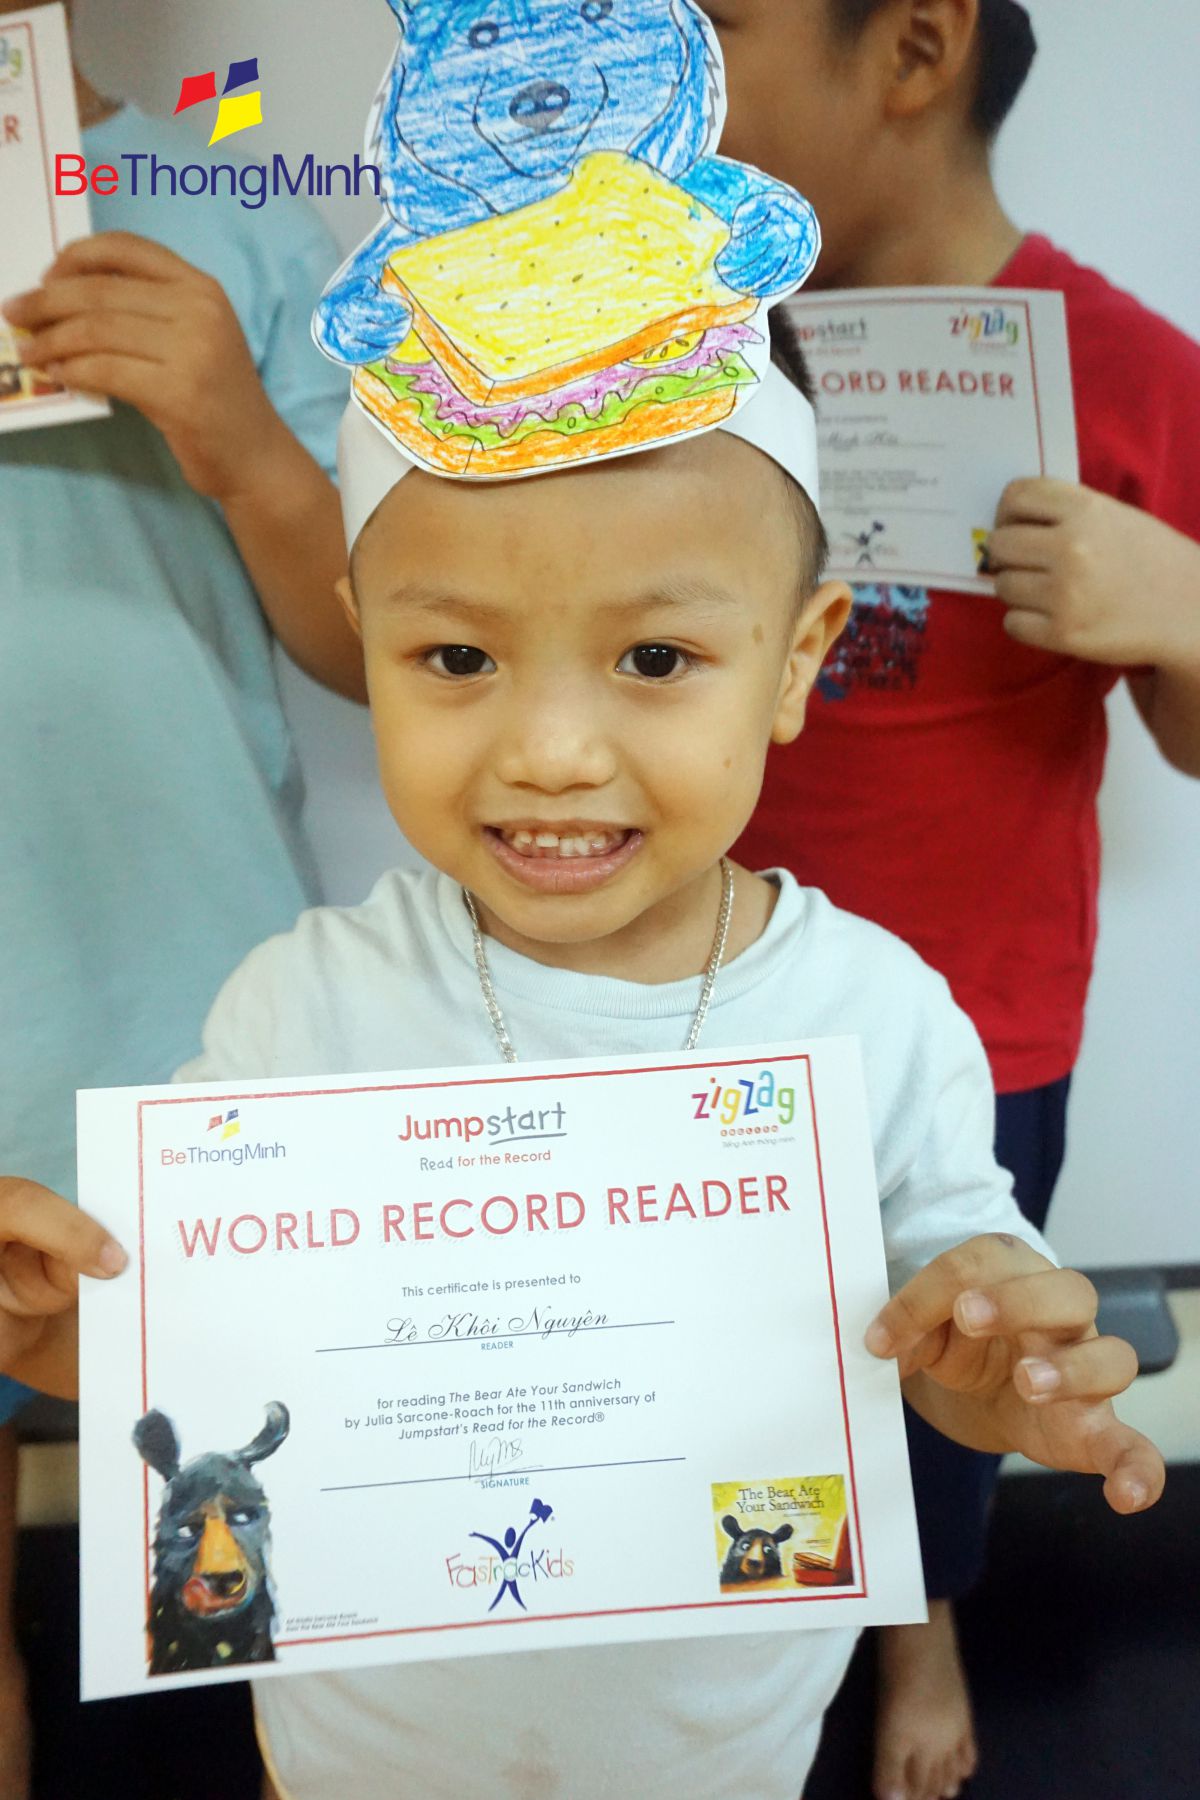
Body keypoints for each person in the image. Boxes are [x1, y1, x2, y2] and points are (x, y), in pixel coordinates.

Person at [0, 331, 1164, 1800]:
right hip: (353, 1761)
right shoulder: (297, 1009)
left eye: (656, 659)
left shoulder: (874, 1014)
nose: (551, 750)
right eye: (458, 658)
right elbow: (189, 1365)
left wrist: (995, 1363)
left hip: (724, 1757)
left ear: (797, 658)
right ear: (368, 640)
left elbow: (948, 1297)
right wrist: (51, 1331)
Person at [699, 4, 1200, 1795]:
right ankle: (736, 1633)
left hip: (979, 1020)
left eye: (716, 27)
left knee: (954, 1342)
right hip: (700, 991)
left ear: (911, 49)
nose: (669, 77)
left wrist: (1182, 609)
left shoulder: (1131, 369)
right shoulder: (687, 351)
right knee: (732, 1345)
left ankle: (922, 1616)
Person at [0, 3, 364, 1789]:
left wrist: (246, 444)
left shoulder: (223, 202)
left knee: (256, 1578)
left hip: (182, 1011)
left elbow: (382, 643)